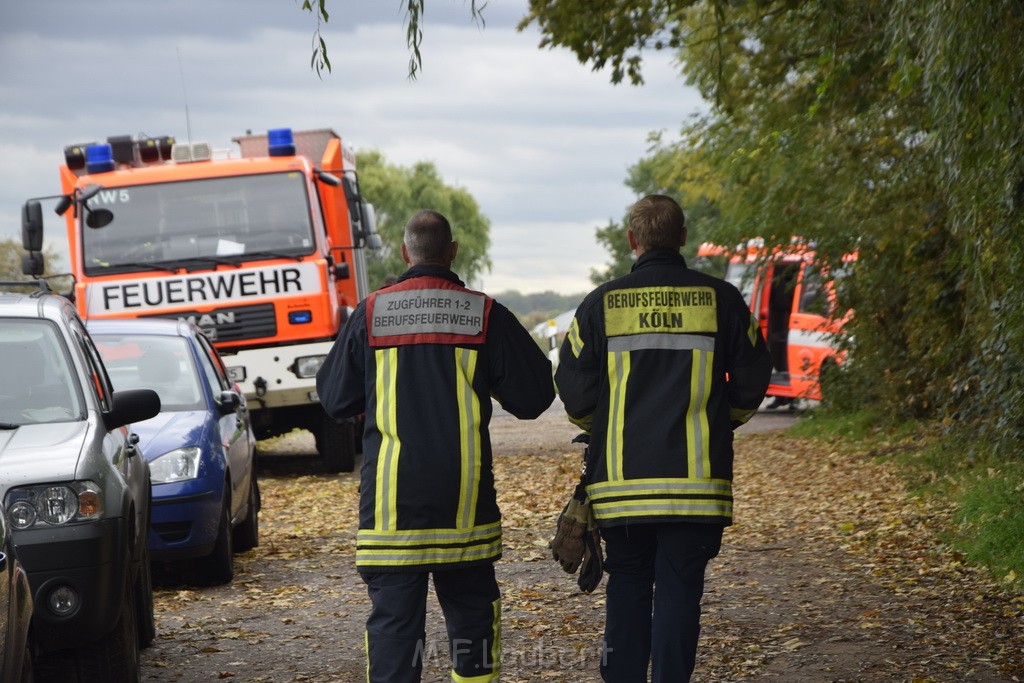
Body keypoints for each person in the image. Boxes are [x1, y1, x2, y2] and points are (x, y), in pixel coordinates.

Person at [316, 209, 555, 682]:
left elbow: (335, 399)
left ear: (406, 253)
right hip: (464, 509)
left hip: (391, 512)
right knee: (472, 629)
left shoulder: (371, 313)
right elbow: (535, 398)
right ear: (452, 253)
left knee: (394, 633)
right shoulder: (484, 313)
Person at [554, 195, 772, 682]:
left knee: (627, 585)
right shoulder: (722, 300)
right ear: (683, 237)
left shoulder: (602, 304)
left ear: (633, 241)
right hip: (697, 488)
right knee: (680, 593)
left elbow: (571, 387)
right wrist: (722, 420)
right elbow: (756, 378)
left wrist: (602, 427)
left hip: (621, 488)